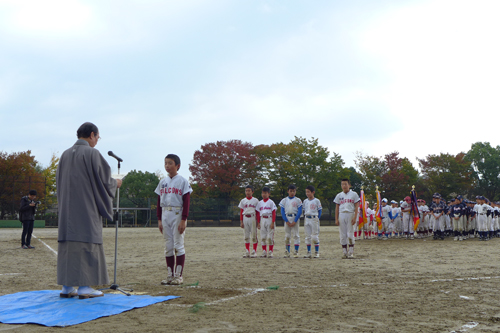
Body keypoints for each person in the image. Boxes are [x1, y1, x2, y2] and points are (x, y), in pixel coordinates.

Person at [57, 122, 122, 299]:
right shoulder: (92, 153)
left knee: (69, 247)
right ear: (92, 135)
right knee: (87, 243)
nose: (97, 141)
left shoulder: (64, 154)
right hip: (86, 209)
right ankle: (85, 287)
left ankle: (67, 287)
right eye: (97, 137)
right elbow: (103, 180)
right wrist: (114, 183)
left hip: (66, 210)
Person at [155, 154, 193, 285]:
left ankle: (179, 276)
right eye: (165, 163)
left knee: (178, 245)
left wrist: (184, 219)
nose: (167, 166)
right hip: (165, 213)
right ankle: (170, 275)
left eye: (170, 163)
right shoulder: (162, 182)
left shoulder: (182, 181)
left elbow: (186, 201)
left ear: (178, 166)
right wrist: (159, 219)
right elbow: (159, 201)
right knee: (168, 246)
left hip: (177, 212)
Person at [334, 179, 360, 259]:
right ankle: (344, 252)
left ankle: (351, 252)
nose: (344, 186)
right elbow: (337, 208)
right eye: (342, 184)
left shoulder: (354, 194)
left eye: (345, 184)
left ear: (349, 185)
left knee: (350, 233)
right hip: (342, 214)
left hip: (350, 214)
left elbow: (356, 206)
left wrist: (355, 217)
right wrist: (336, 219)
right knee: (343, 234)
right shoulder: (339, 195)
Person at [280, 185, 302, 258]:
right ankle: (287, 251)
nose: (292, 192)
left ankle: (296, 251)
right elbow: (282, 211)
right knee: (287, 235)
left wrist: (295, 220)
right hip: (287, 217)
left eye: (294, 191)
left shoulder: (298, 200)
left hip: (294, 217)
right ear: (288, 191)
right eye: (291, 191)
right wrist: (286, 220)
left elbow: (300, 211)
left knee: (296, 235)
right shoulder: (284, 200)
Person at [238, 185, 259, 258]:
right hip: (245, 217)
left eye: (249, 190)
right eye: (246, 190)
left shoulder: (255, 200)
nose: (247, 192)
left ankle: (254, 251)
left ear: (252, 192)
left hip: (253, 217)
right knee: (246, 235)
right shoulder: (243, 201)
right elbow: (241, 211)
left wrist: (258, 222)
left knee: (254, 235)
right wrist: (241, 221)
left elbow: (257, 212)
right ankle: (247, 251)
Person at [256, 187, 277, 258]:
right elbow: (258, 213)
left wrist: (273, 222)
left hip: (269, 218)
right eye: (263, 193)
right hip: (263, 219)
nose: (264, 194)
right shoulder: (260, 203)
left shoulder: (271, 202)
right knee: (263, 237)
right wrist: (258, 222)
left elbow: (274, 212)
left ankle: (270, 251)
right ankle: (264, 251)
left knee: (270, 237)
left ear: (269, 194)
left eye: (265, 193)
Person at [302, 185, 322, 258]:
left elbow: (320, 210)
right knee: (307, 236)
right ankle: (309, 252)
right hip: (307, 218)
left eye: (308, 192)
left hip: (314, 218)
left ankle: (316, 252)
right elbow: (304, 209)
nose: (307, 193)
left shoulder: (316, 200)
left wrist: (318, 218)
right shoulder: (305, 201)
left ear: (313, 192)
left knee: (314, 236)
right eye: (306, 192)